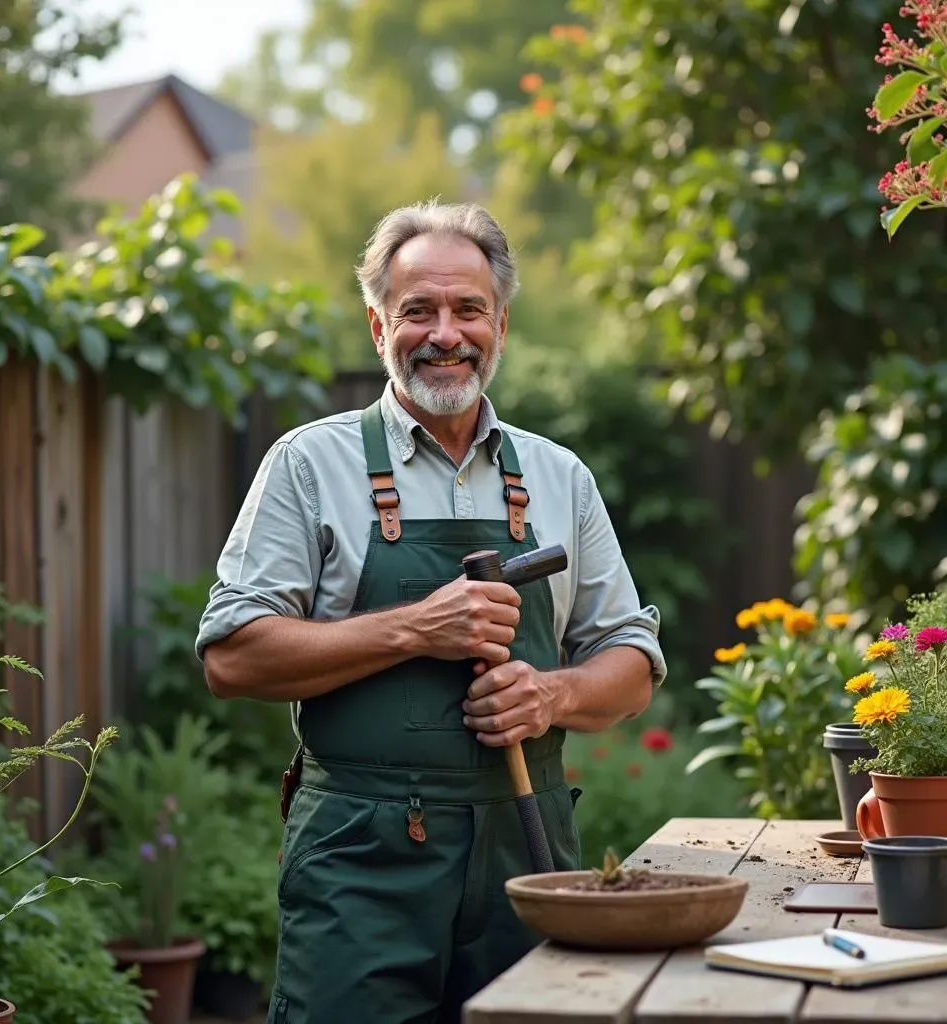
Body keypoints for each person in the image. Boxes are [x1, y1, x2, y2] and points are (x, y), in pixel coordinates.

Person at [196, 199, 666, 1024]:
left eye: (468, 310)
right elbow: (232, 657)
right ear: (379, 328)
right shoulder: (309, 464)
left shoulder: (560, 477)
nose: (444, 332)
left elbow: (629, 662)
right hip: (362, 861)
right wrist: (417, 627)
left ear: (500, 326)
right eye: (418, 310)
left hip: (529, 853)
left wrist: (552, 695)